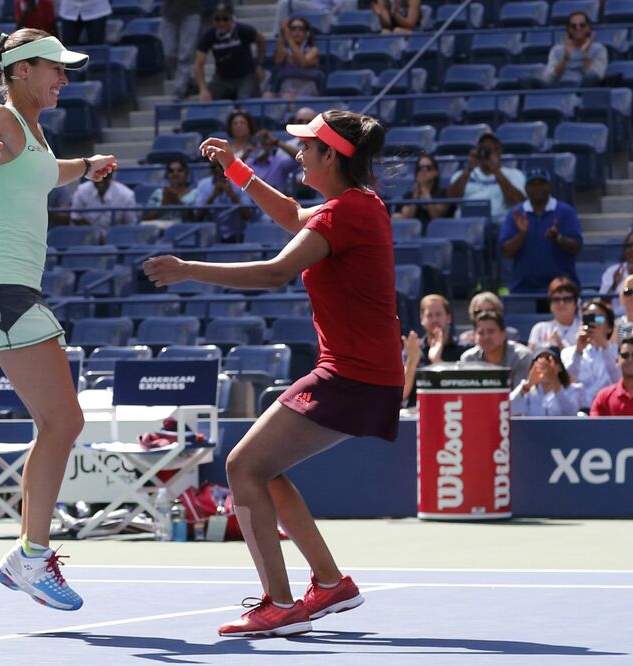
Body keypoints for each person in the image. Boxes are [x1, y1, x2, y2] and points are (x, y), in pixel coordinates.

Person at [145, 110, 401, 637]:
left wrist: (189, 269)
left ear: (332, 156)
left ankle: (279, 605)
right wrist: (237, 171)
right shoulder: (356, 206)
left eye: (309, 146)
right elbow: (290, 215)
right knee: (263, 469)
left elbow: (277, 271)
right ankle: (329, 584)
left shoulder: (344, 214)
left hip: (352, 375)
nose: (299, 153)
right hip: (360, 372)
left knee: (243, 468)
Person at [0, 24, 116, 611]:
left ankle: (27, 556)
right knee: (63, 422)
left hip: (10, 292)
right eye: (55, 68)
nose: (64, 78)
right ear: (21, 71)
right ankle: (31, 557)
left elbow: (44, 174)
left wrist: (84, 165)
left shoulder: (33, 134)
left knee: (59, 423)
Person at [499, 168, 582, 294]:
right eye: (533, 184)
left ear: (549, 186)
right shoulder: (515, 214)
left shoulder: (565, 212)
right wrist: (521, 235)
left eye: (542, 184)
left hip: (561, 290)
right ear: (526, 188)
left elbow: (577, 247)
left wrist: (558, 238)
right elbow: (506, 252)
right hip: (524, 289)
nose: (538, 188)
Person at [401, 294, 468, 404]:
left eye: (438, 314)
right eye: (429, 315)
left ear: (448, 317)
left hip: (453, 413)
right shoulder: (413, 350)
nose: (434, 319)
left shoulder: (464, 350)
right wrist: (412, 361)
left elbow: (463, 391)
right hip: (419, 414)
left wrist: (437, 361)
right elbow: (402, 395)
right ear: (422, 319)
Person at [446, 132, 526, 221]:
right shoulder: (462, 174)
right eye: (482, 149)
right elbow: (451, 199)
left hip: (498, 224)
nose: (486, 153)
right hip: (465, 224)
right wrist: (468, 169)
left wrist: (497, 171)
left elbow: (517, 201)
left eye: (490, 149)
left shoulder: (514, 174)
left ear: (499, 151)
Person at [194, 4, 265, 102]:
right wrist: (203, 89)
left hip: (245, 76)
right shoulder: (209, 35)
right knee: (205, 100)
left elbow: (261, 39)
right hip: (222, 78)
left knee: (245, 102)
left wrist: (259, 64)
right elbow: (199, 64)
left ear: (231, 19)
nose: (221, 23)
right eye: (217, 19)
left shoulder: (243, 30)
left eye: (225, 19)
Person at [562, 299, 620, 410]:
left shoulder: (620, 352)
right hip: (579, 415)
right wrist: (578, 351)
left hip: (609, 413)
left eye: (600, 318)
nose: (595, 323)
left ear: (609, 328)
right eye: (590, 318)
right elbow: (566, 384)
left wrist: (604, 346)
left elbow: (619, 381)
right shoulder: (568, 353)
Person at [460, 311, 533, 389]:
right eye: (481, 333)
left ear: (504, 334)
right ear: (475, 337)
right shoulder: (469, 359)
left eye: (491, 331)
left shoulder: (521, 356)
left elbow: (522, 396)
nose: (486, 337)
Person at [509, 346, 583, 416]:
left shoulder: (574, 389)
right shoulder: (526, 391)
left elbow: (571, 414)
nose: (544, 366)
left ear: (560, 367)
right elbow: (507, 409)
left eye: (548, 360)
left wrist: (554, 381)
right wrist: (528, 385)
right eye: (539, 361)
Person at [543, 11, 607, 87]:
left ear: (588, 28)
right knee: (528, 81)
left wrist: (585, 53)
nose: (578, 28)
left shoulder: (599, 49)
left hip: (583, 92)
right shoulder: (556, 50)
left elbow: (596, 77)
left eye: (582, 25)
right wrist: (566, 57)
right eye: (573, 26)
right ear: (569, 30)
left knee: (591, 77)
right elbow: (549, 79)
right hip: (558, 89)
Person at [392, 153, 452, 230]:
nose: (423, 171)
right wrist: (416, 194)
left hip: (436, 233)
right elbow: (407, 218)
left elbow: (436, 217)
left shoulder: (443, 193)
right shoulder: (409, 195)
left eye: (428, 168)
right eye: (420, 168)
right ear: (416, 173)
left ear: (436, 172)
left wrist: (425, 190)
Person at [266, 16, 319, 99]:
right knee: (267, 95)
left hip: (306, 89)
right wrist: (282, 34)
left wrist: (289, 39)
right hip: (286, 89)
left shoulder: (313, 50)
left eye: (301, 28)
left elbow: (303, 62)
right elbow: (277, 61)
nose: (297, 31)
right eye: (293, 28)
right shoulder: (285, 50)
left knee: (288, 97)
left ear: (307, 33)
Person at [70, 170, 137, 235]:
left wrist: (111, 235)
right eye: (97, 177)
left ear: (111, 175)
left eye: (105, 177)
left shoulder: (127, 194)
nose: (100, 181)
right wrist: (95, 233)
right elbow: (76, 217)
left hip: (116, 237)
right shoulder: (81, 190)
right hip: (87, 236)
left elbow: (129, 224)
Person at [160, 0, 202, 101]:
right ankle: (189, 82)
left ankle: (179, 91)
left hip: (191, 13)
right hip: (168, 14)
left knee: (186, 54)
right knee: (169, 53)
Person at [528, 277, 581, 350]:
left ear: (575, 303)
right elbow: (530, 357)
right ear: (550, 305)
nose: (561, 303)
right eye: (556, 299)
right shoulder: (540, 329)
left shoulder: (585, 330)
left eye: (567, 299)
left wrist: (560, 345)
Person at [589, 337, 633, 416]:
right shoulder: (603, 397)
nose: (630, 359)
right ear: (617, 360)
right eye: (625, 355)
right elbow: (594, 427)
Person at [598, 230, 633, 318]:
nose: (632, 249)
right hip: (616, 320)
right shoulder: (613, 271)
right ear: (624, 250)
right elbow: (602, 302)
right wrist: (614, 284)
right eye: (629, 246)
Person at [612, 275, 633, 344]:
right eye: (628, 292)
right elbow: (613, 351)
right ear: (622, 296)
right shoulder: (616, 325)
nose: (632, 296)